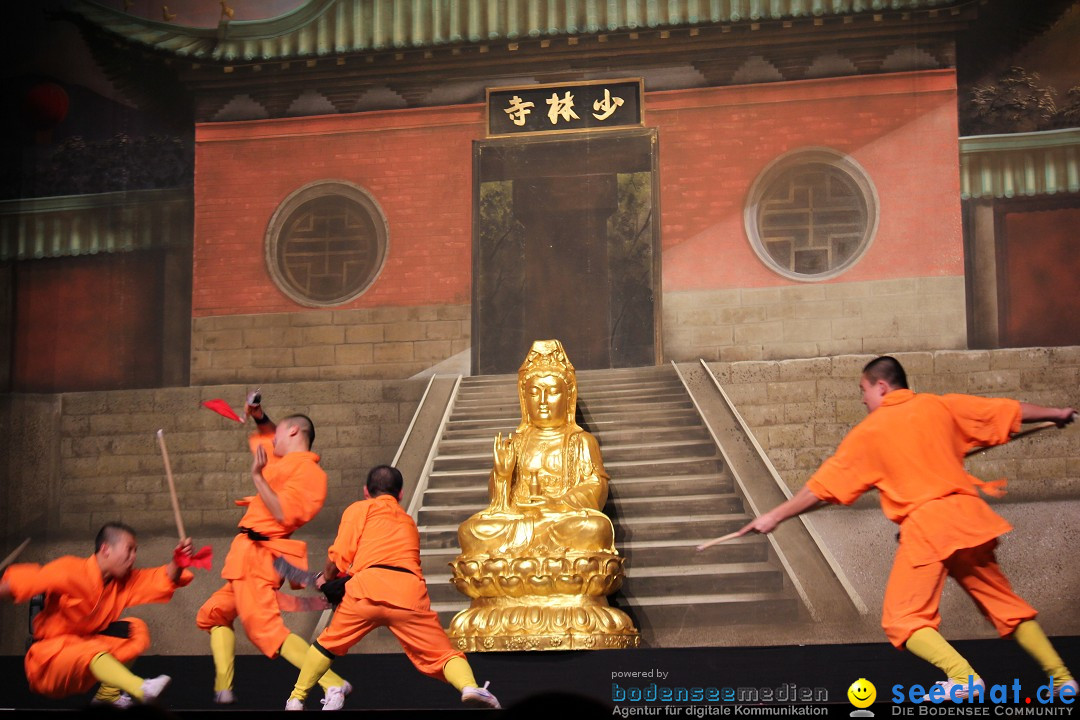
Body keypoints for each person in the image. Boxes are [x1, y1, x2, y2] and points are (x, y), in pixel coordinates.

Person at [731, 356, 1077, 702]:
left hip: (929, 526)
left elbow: (819, 488)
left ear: (881, 386)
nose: (863, 400)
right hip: (969, 520)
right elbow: (1008, 411)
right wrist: (1056, 413)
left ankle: (962, 677)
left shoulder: (870, 432)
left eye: (863, 391)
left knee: (903, 618)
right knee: (1006, 607)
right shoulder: (941, 406)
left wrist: (775, 516)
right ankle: (1062, 679)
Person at [285, 465, 500, 711]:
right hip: (407, 595)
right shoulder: (408, 522)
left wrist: (327, 578)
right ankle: (470, 687)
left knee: (326, 645)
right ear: (400, 495)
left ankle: (296, 699)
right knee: (444, 655)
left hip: (365, 591)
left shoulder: (360, 508)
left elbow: (340, 554)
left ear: (366, 491)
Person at [196, 395, 351, 705]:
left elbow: (282, 512)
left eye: (279, 430)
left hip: (260, 557)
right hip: (245, 555)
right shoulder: (287, 463)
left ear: (293, 432)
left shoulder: (311, 474)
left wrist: (256, 477)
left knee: (264, 629)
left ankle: (332, 683)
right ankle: (223, 688)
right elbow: (271, 444)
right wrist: (260, 416)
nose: (272, 437)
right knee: (212, 615)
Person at [0, 522, 194, 707]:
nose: (133, 556)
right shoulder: (69, 570)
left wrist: (179, 562)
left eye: (136, 551)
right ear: (105, 549)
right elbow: (22, 582)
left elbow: (163, 577)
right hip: (50, 662)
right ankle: (140, 688)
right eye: (129, 549)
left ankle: (107, 696)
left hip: (87, 652)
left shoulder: (124, 582)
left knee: (134, 629)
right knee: (87, 648)